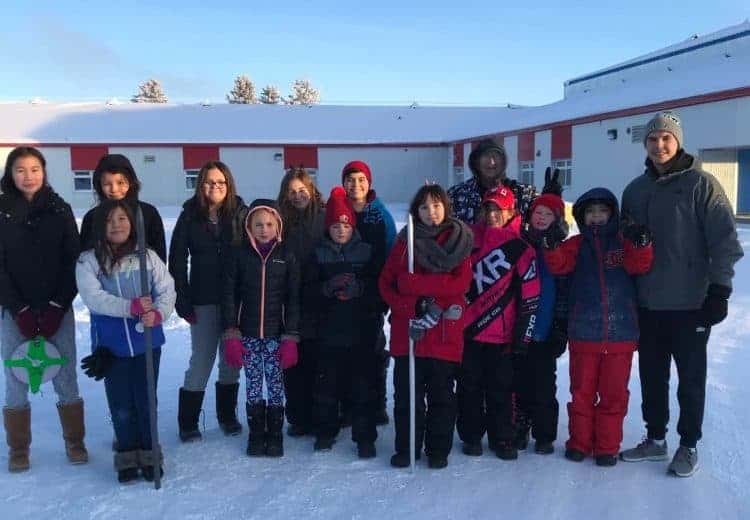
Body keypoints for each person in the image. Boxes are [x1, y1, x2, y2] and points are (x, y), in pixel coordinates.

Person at [619, 111, 744, 477]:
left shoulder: (701, 185)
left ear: (678, 142)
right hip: (648, 303)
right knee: (651, 376)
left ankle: (688, 444)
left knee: (689, 379)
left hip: (692, 304)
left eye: (666, 139)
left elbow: (724, 240)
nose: (659, 146)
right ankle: (655, 439)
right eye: (653, 139)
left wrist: (719, 289)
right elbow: (625, 245)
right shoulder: (635, 190)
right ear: (645, 144)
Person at [544, 188, 653, 467]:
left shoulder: (621, 243)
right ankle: (579, 442)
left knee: (614, 395)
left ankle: (606, 447)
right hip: (584, 334)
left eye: (602, 212)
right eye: (590, 212)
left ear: (612, 214)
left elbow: (641, 264)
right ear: (582, 217)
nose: (596, 217)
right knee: (581, 392)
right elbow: (558, 264)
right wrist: (551, 244)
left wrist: (641, 243)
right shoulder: (577, 245)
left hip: (620, 335)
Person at [0, 146, 87, 473]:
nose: (28, 176)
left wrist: (57, 304)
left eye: (34, 169)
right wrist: (18, 307)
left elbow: (73, 259)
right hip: (13, 310)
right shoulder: (1, 210)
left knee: (65, 374)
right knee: (15, 375)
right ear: (10, 173)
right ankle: (18, 448)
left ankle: (75, 441)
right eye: (20, 170)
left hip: (57, 308)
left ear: (44, 171)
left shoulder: (59, 208)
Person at [76, 199, 175, 483]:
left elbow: (167, 289)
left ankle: (149, 455)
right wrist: (129, 307)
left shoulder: (147, 257)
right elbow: (93, 297)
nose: (116, 225)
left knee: (146, 401)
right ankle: (127, 456)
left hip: (147, 340)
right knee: (121, 402)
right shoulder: (89, 261)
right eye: (109, 220)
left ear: (132, 223)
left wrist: (158, 313)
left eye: (122, 219)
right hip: (112, 344)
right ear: (99, 226)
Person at [379, 184, 473, 469]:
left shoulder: (458, 240)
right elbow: (388, 284)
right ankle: (407, 447)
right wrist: (411, 305)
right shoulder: (405, 241)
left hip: (444, 333)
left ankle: (438, 449)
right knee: (408, 397)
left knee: (442, 396)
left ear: (445, 207)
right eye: (423, 207)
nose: (430, 212)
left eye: (436, 205)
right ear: (415, 211)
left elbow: (460, 283)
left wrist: (415, 286)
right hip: (409, 334)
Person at [458, 187, 540, 460]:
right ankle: (471, 437)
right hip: (469, 332)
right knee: (469, 388)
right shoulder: (468, 239)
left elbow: (530, 293)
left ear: (511, 212)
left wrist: (523, 334)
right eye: (489, 209)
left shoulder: (522, 247)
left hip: (503, 336)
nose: (493, 215)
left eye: (499, 209)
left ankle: (502, 437)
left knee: (501, 390)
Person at [169, 161, 247, 442]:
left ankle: (227, 416)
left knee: (231, 360)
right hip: (202, 299)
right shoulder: (190, 215)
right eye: (209, 182)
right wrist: (182, 298)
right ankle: (188, 422)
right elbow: (177, 259)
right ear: (200, 185)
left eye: (220, 182)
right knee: (201, 360)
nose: (215, 187)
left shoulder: (240, 212)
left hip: (235, 300)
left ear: (229, 185)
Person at [305, 187, 381, 458]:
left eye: (345, 224)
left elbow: (379, 288)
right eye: (335, 225)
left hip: (360, 332)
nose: (340, 229)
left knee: (362, 388)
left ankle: (365, 437)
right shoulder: (318, 254)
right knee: (326, 386)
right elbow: (307, 290)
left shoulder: (367, 252)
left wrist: (360, 289)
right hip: (328, 334)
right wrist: (326, 288)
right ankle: (325, 431)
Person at [221, 200, 300, 458]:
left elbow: (293, 298)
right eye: (258, 225)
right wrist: (232, 332)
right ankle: (256, 434)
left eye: (269, 224)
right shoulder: (239, 255)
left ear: (277, 225)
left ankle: (275, 434)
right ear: (248, 227)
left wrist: (291, 336)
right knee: (254, 384)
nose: (264, 229)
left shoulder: (287, 255)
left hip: (277, 335)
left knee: (276, 385)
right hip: (249, 335)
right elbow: (230, 296)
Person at [515, 189, 569, 455]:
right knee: (519, 380)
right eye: (538, 212)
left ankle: (544, 433)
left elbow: (564, 290)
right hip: (520, 326)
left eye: (548, 214)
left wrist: (560, 327)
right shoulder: (520, 241)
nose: (541, 218)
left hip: (545, 328)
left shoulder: (560, 247)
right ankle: (520, 426)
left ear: (556, 219)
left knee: (544, 383)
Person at [342, 160, 396, 426]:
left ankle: (377, 404)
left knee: (373, 350)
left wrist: (385, 293)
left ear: (369, 183)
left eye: (361, 179)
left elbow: (391, 253)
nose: (356, 185)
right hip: (343, 292)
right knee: (347, 350)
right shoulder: (338, 209)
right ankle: (350, 405)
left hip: (373, 292)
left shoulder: (380, 213)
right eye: (351, 180)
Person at [277, 167, 326, 437]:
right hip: (289, 297)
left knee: (319, 360)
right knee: (293, 359)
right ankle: (298, 416)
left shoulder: (323, 215)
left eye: (302, 190)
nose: (297, 196)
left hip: (319, 295)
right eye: (292, 192)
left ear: (311, 189)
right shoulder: (280, 219)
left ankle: (322, 415)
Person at [80, 154, 166, 261]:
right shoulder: (92, 218)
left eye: (120, 182)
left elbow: (160, 259)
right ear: (99, 185)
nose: (114, 189)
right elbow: (84, 261)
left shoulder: (148, 214)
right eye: (107, 184)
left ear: (130, 182)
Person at [447, 138, 537, 225]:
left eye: (496, 156)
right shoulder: (457, 195)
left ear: (503, 161)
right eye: (486, 156)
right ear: (476, 162)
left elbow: (543, 223)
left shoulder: (523, 194)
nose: (491, 162)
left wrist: (548, 198)